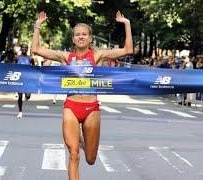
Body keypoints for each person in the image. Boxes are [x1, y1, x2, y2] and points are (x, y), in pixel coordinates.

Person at [31, 11, 133, 180]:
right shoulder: (65, 57)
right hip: (71, 106)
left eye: (84, 34)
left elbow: (128, 50)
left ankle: (83, 142)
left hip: (91, 108)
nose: (80, 37)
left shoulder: (98, 55)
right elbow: (36, 49)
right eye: (77, 35)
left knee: (91, 159)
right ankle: (77, 143)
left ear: (90, 38)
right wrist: (37, 25)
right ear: (73, 39)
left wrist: (127, 24)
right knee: (73, 154)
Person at [16, 44, 35, 118]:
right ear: (21, 48)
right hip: (19, 79)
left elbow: (34, 69)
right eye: (23, 47)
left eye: (25, 48)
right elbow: (13, 68)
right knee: (20, 96)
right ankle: (20, 111)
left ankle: (27, 97)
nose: (24, 49)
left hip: (28, 80)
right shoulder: (17, 58)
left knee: (28, 96)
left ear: (27, 49)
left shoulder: (30, 59)